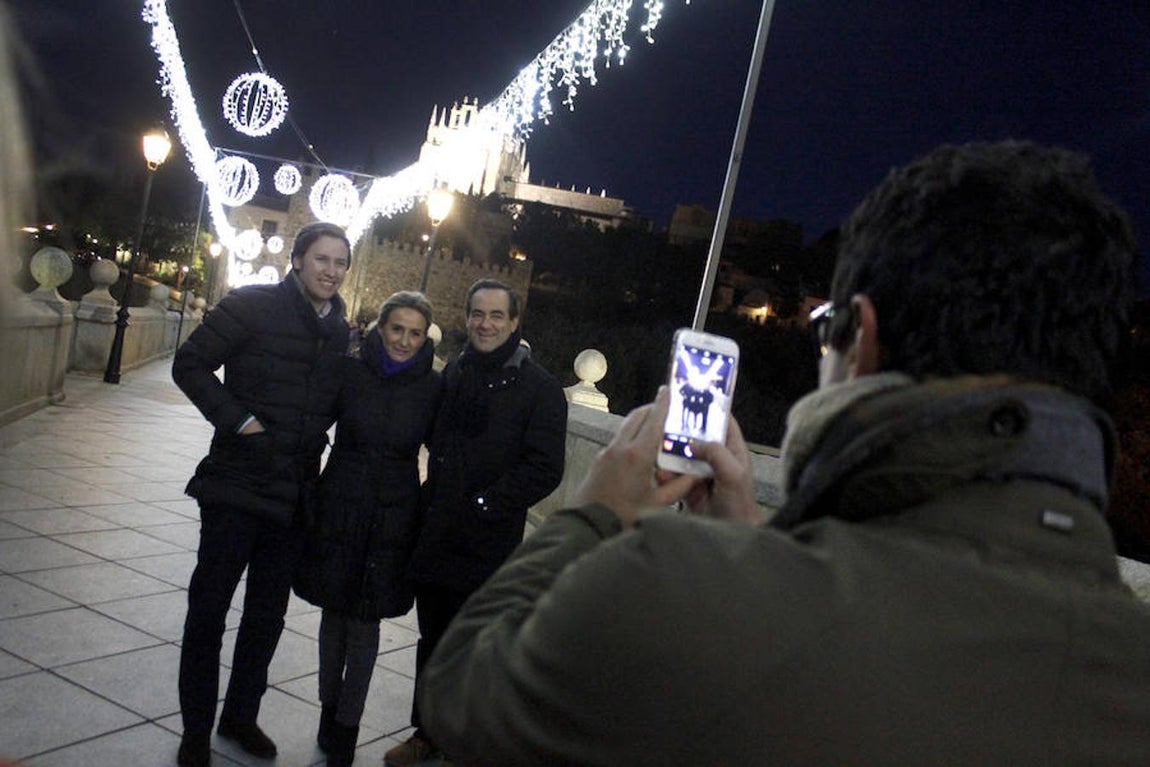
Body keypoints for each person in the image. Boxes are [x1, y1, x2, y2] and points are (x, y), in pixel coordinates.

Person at [416, 142, 1150, 765]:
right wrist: (760, 547)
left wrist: (592, 518)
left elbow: (466, 691)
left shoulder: (675, 590)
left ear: (858, 337)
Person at [172, 221, 352, 767]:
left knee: (266, 617)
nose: (331, 271)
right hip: (236, 482)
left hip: (294, 492)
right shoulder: (250, 305)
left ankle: (240, 715)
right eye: (322, 259)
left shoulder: (340, 330)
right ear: (297, 260)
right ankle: (197, 731)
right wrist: (239, 421)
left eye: (341, 263)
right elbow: (190, 364)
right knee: (209, 611)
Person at [384, 278, 567, 767]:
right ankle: (426, 732)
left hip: (487, 541)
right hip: (437, 532)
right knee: (434, 640)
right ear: (467, 318)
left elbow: (546, 468)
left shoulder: (541, 389)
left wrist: (486, 504)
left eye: (495, 316)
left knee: (479, 647)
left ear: (513, 323)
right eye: (478, 315)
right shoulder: (458, 373)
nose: (485, 324)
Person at [293, 291, 441, 767]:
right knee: (333, 613)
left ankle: (347, 729)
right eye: (397, 329)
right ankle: (327, 707)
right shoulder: (349, 372)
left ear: (425, 339)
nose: (404, 340)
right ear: (381, 328)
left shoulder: (434, 388)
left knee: (365, 622)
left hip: (394, 511)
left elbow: (449, 450)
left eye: (414, 333)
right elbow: (313, 430)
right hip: (341, 500)